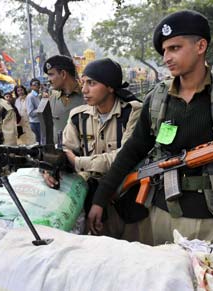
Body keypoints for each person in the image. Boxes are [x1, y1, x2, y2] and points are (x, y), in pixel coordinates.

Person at [89, 10, 213, 245]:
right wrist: (101, 197)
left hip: (210, 222)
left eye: (175, 48)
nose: (166, 57)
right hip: (158, 215)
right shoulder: (157, 99)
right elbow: (133, 150)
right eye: (164, 50)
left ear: (201, 46)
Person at [43, 58, 151, 244]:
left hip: (129, 200)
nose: (84, 89)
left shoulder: (133, 113)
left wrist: (77, 162)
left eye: (91, 83)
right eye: (83, 82)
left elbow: (122, 158)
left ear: (110, 87)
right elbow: (65, 149)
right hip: (92, 199)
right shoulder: (79, 116)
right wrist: (50, 167)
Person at [43, 55, 84, 142]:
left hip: (83, 153)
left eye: (51, 75)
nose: (48, 80)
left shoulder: (87, 95)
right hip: (59, 152)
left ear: (63, 74)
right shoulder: (52, 96)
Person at [25, 79, 42, 143]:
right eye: (34, 85)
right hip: (35, 123)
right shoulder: (30, 96)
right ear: (31, 86)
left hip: (40, 121)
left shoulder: (38, 95)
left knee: (42, 141)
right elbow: (30, 113)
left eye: (38, 84)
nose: (36, 86)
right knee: (39, 142)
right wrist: (41, 110)